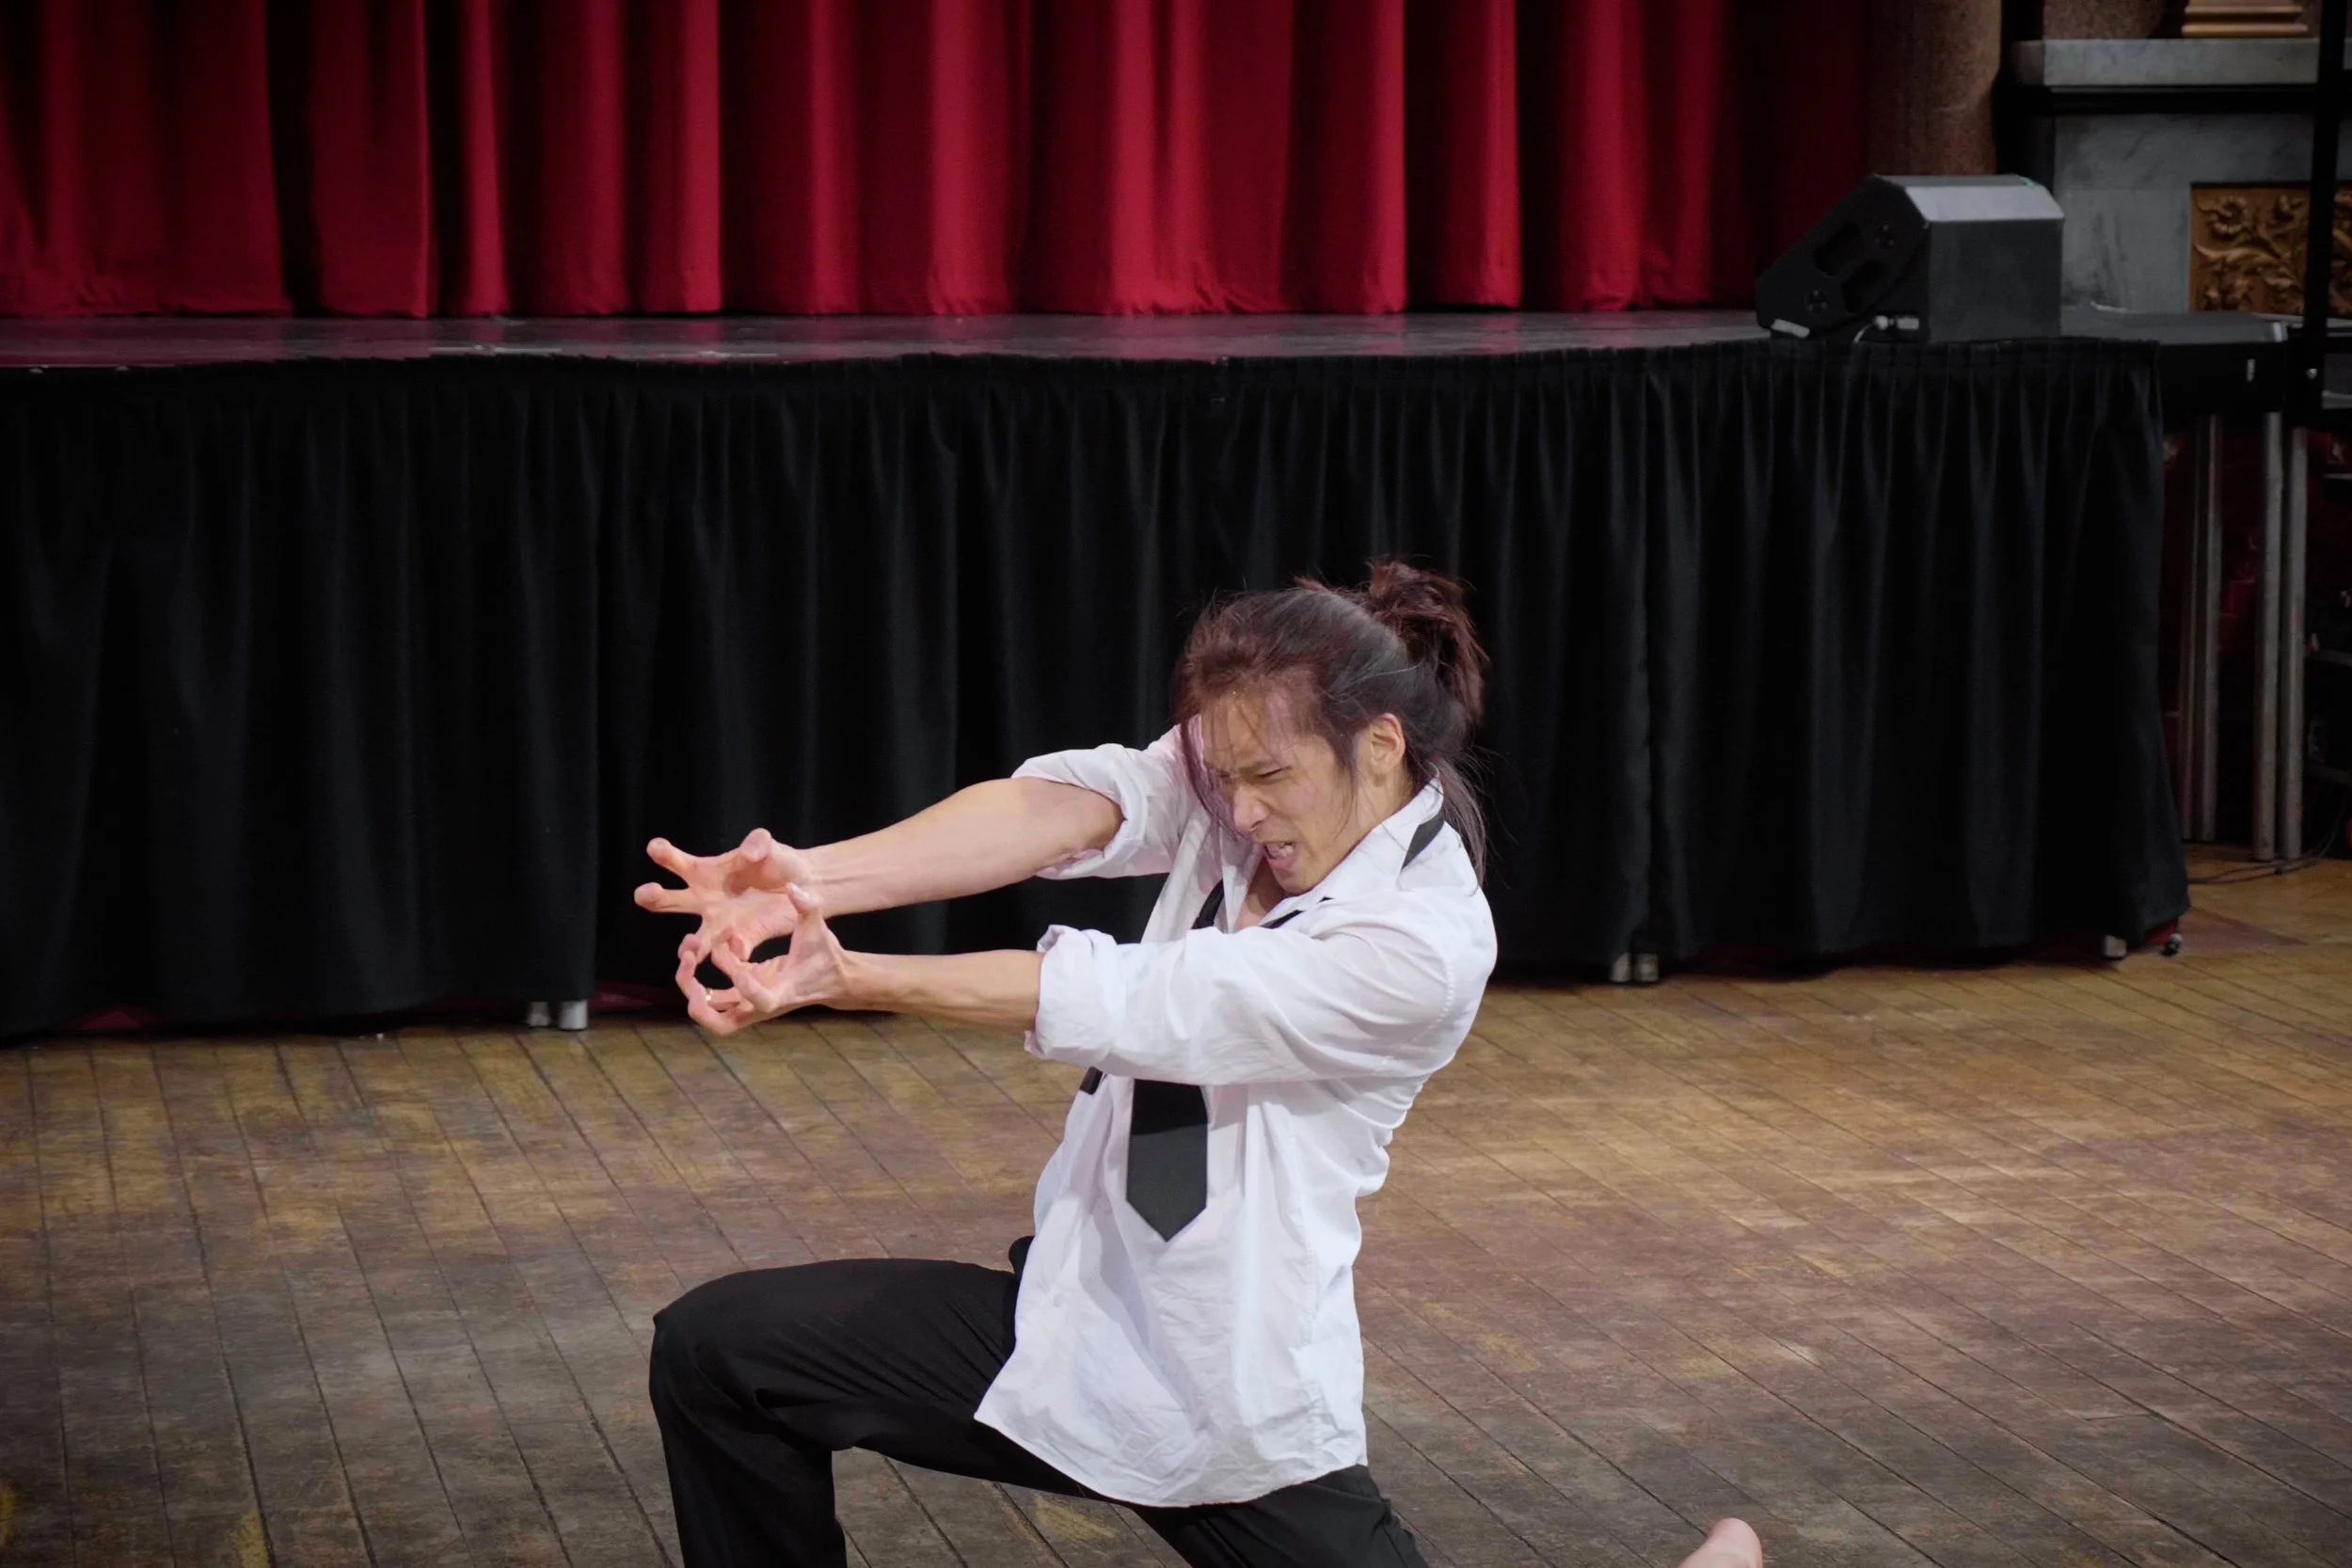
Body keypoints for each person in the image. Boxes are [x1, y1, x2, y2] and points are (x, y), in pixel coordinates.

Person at [635, 562, 1764, 1568]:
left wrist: (855, 977)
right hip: (1068, 1311)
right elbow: (1064, 807)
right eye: (1221, 775)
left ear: (1378, 744)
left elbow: (1146, 1002)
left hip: (1224, 1381)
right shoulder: (1247, 783)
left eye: (1270, 777)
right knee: (721, 1352)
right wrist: (811, 879)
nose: (1242, 806)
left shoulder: (1421, 942)